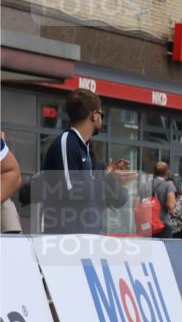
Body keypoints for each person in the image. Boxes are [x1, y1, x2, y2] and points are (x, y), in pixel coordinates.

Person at [40, 89, 131, 233]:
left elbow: (87, 190)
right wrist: (108, 178)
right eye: (102, 114)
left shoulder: (83, 146)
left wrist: (108, 175)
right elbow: (70, 189)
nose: (102, 119)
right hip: (67, 238)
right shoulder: (67, 142)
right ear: (94, 115)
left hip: (83, 236)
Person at [145, 161, 177, 239]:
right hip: (163, 225)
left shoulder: (144, 186)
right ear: (167, 172)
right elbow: (170, 206)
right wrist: (174, 210)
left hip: (146, 226)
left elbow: (135, 205)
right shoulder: (169, 185)